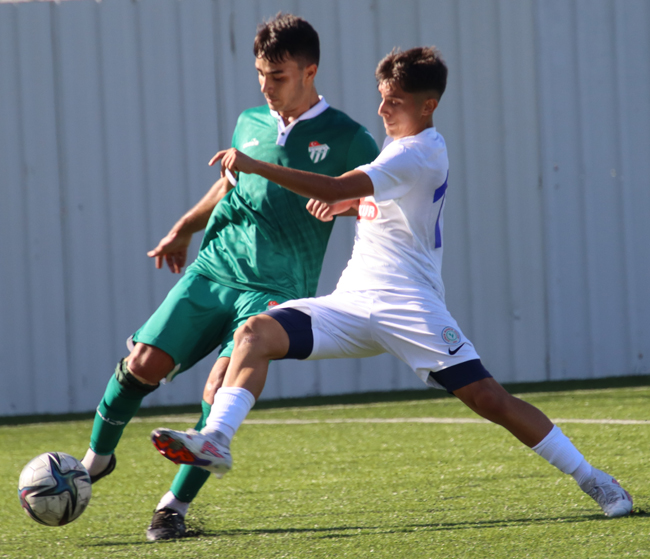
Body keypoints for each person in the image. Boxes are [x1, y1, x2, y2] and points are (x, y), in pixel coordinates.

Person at [151, 46, 634, 519]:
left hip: (410, 306)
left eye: (394, 101)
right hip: (352, 302)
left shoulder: (420, 152)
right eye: (382, 98)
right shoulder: (399, 147)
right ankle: (217, 440)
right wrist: (353, 205)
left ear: (428, 106)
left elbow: (339, 185)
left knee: (490, 399)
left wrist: (259, 166)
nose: (382, 109)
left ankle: (594, 478)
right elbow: (377, 198)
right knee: (254, 333)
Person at [80, 13, 379, 541]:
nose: (266, 86)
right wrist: (182, 229)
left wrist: (348, 205)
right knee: (143, 364)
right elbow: (228, 186)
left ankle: (172, 508)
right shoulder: (250, 122)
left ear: (310, 71)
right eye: (260, 73)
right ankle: (95, 461)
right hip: (215, 268)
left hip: (277, 286)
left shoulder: (349, 138)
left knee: (219, 389)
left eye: (277, 75)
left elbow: (385, 199)